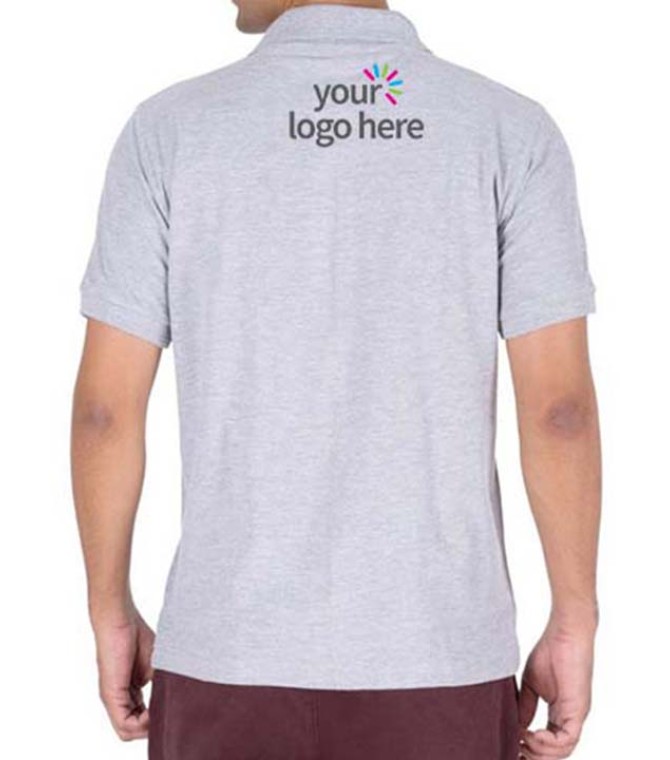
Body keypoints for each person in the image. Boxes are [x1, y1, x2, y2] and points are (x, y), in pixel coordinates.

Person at [71, 1, 602, 758]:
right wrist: (574, 617)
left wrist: (109, 610)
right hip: (440, 660)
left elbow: (105, 412)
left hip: (226, 657)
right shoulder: (508, 131)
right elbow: (560, 412)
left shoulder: (169, 132)